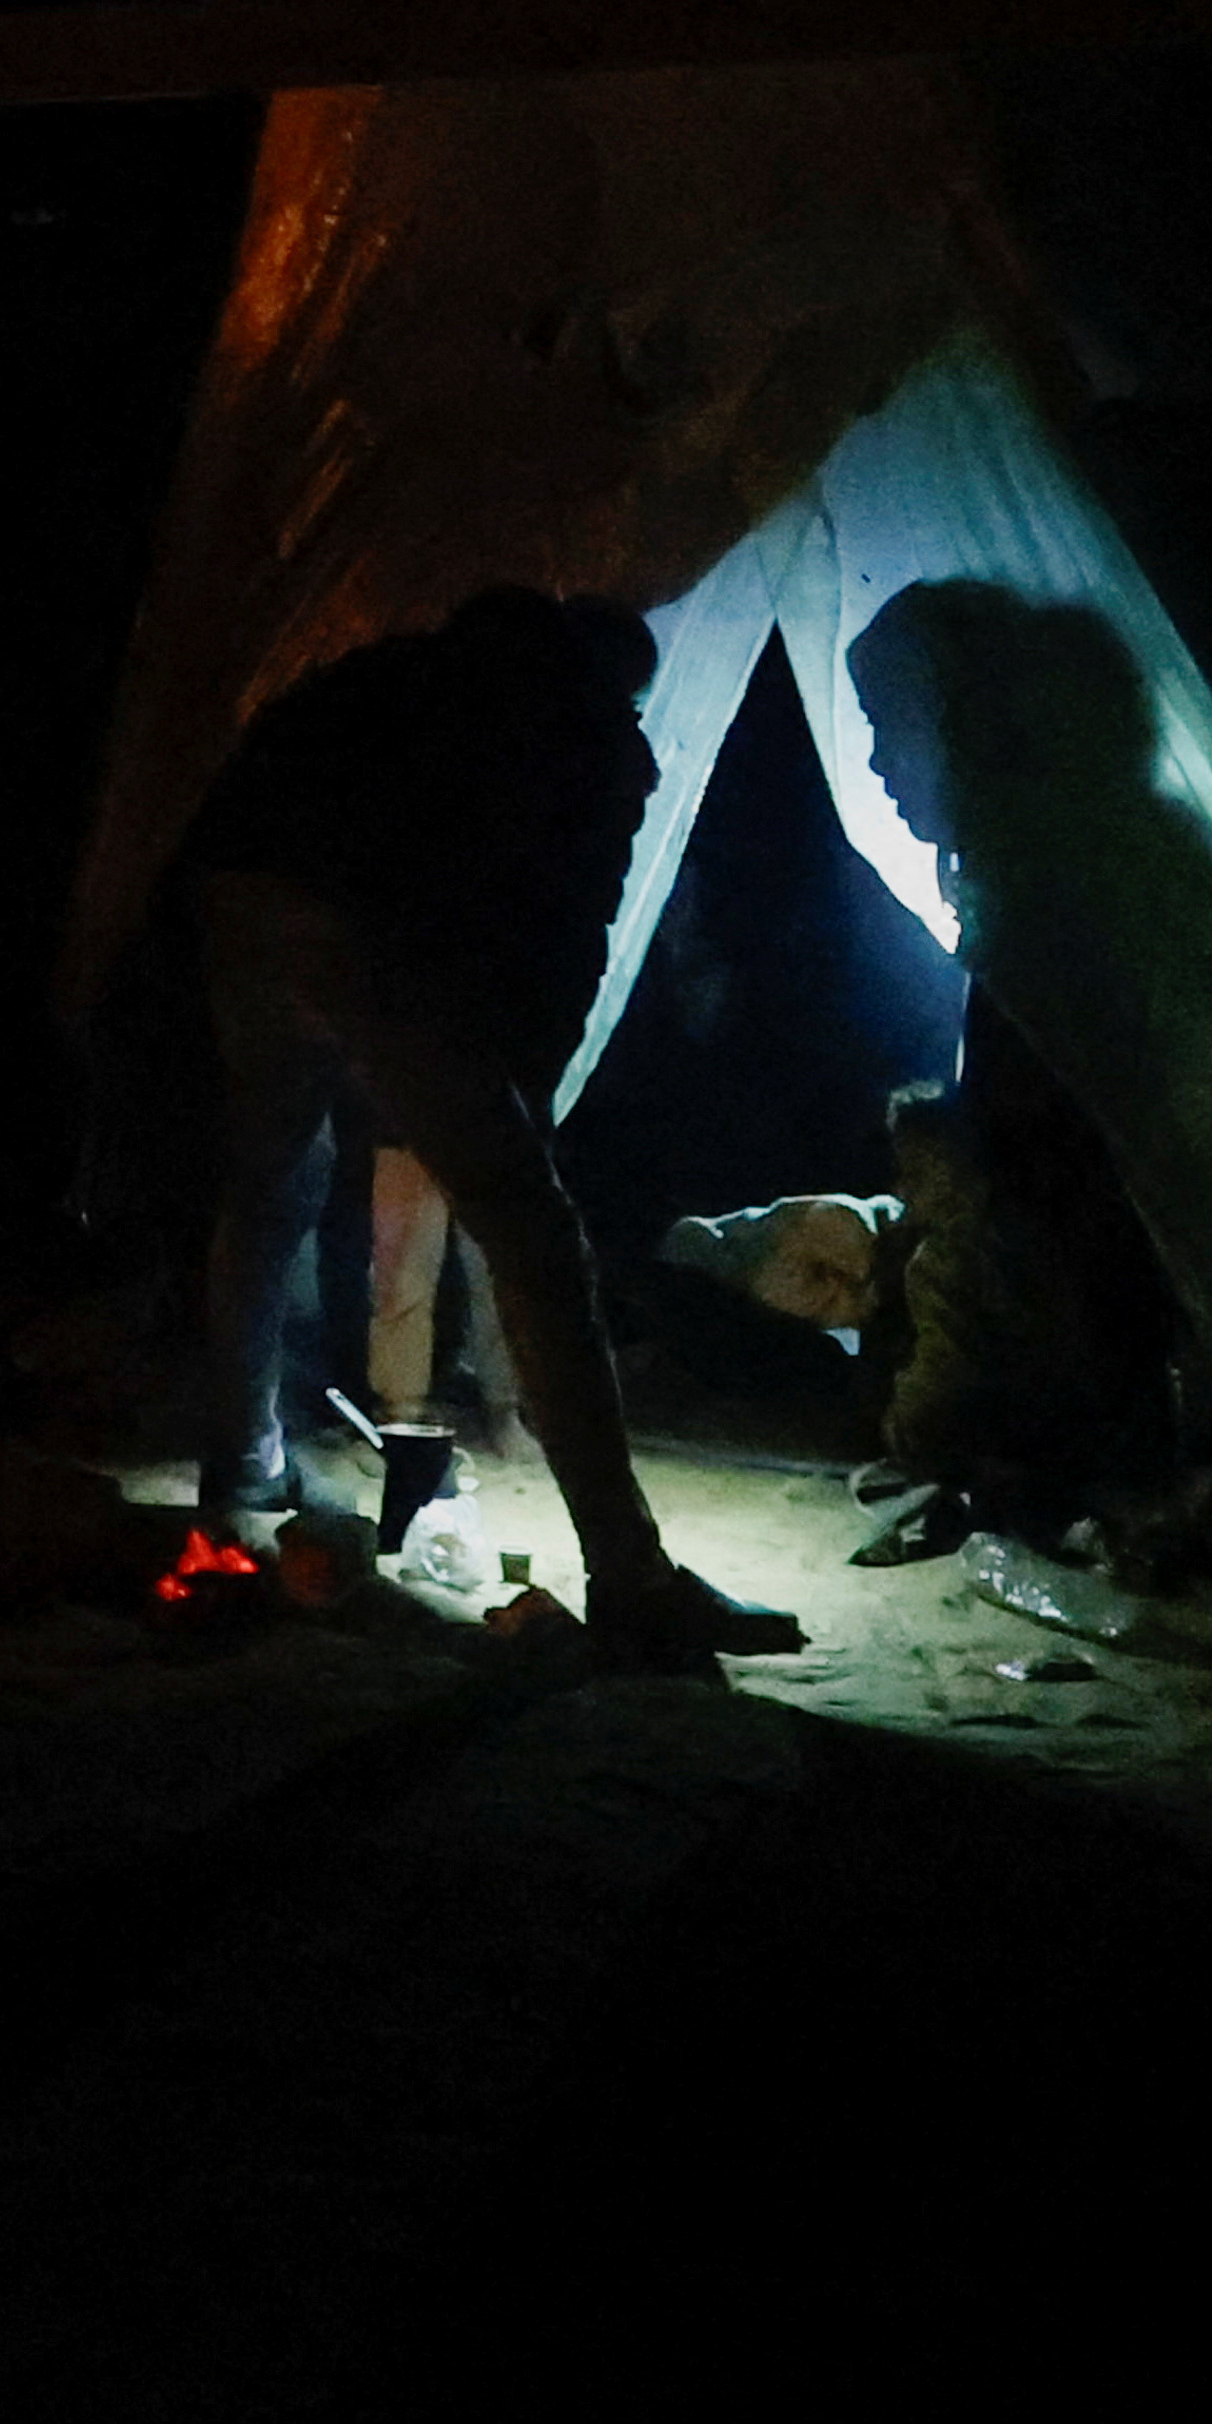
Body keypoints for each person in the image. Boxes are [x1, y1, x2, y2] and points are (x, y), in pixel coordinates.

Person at [183, 590, 803, 1662]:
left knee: (272, 1180)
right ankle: (630, 1575)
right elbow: (571, 928)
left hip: (242, 893)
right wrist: (522, 1103)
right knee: (532, 1234)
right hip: (368, 923)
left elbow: (252, 792)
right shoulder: (583, 732)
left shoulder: (394, 669)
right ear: (618, 687)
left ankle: (241, 1469)